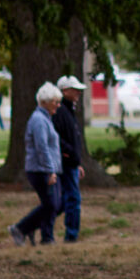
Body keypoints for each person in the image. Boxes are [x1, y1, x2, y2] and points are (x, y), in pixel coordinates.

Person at [9, 83, 63, 246]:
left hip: (48, 169)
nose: (58, 105)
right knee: (51, 204)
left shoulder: (45, 119)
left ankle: (33, 230)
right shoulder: (39, 120)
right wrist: (50, 171)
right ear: (45, 102)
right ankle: (22, 229)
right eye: (55, 102)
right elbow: (42, 148)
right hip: (40, 170)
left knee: (57, 204)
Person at [50, 75, 89, 243]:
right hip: (65, 163)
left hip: (71, 163)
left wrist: (77, 162)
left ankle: (35, 222)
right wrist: (68, 153)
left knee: (63, 201)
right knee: (72, 199)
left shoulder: (69, 110)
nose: (79, 93)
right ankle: (71, 235)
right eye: (75, 90)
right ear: (65, 91)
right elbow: (56, 137)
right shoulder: (60, 111)